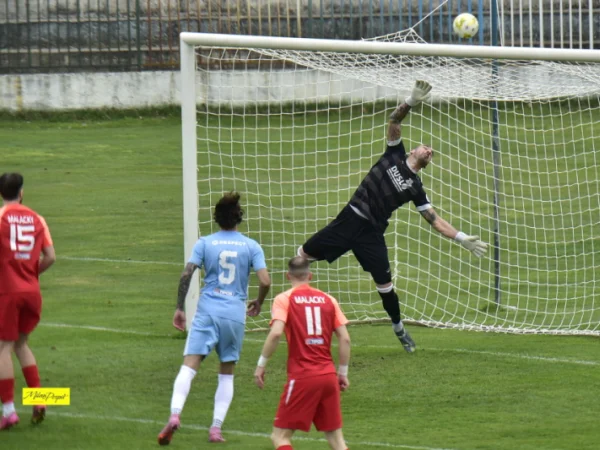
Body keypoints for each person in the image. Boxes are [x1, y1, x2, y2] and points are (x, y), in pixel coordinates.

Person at [298, 80, 488, 353]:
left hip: (371, 234)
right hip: (349, 219)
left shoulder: (416, 188)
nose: (429, 151)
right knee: (302, 255)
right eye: (426, 147)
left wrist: (461, 238)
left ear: (426, 163)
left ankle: (399, 327)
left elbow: (434, 220)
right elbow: (394, 120)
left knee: (386, 286)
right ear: (412, 150)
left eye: (431, 153)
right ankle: (292, 305)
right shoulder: (394, 153)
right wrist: (411, 101)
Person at [158, 191, 271, 445]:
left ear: (216, 218)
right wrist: (259, 302)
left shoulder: (205, 243)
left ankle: (175, 415)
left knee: (189, 366)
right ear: (239, 218)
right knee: (226, 372)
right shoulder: (251, 246)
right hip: (234, 315)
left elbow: (187, 273)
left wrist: (180, 308)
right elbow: (265, 280)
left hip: (207, 311)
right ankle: (215, 429)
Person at [254, 256, 351, 450]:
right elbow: (345, 338)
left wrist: (261, 365)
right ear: (310, 275)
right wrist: (342, 373)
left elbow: (276, 334)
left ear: (288, 275)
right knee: (337, 440)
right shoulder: (329, 299)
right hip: (328, 377)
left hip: (303, 376)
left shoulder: (284, 299)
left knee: (280, 436)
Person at [0, 173, 56, 430]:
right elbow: (50, 256)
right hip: (31, 291)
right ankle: (39, 399)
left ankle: (9, 411)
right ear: (21, 191)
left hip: (6, 292)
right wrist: (31, 275)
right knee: (21, 344)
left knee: (3, 347)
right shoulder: (37, 218)